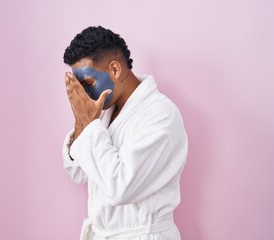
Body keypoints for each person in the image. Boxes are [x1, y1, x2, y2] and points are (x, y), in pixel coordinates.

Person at [62, 26, 188, 240]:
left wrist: (90, 124)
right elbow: (78, 172)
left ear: (115, 70)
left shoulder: (160, 115)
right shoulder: (105, 112)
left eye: (88, 84)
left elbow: (121, 188)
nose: (84, 95)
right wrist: (82, 121)